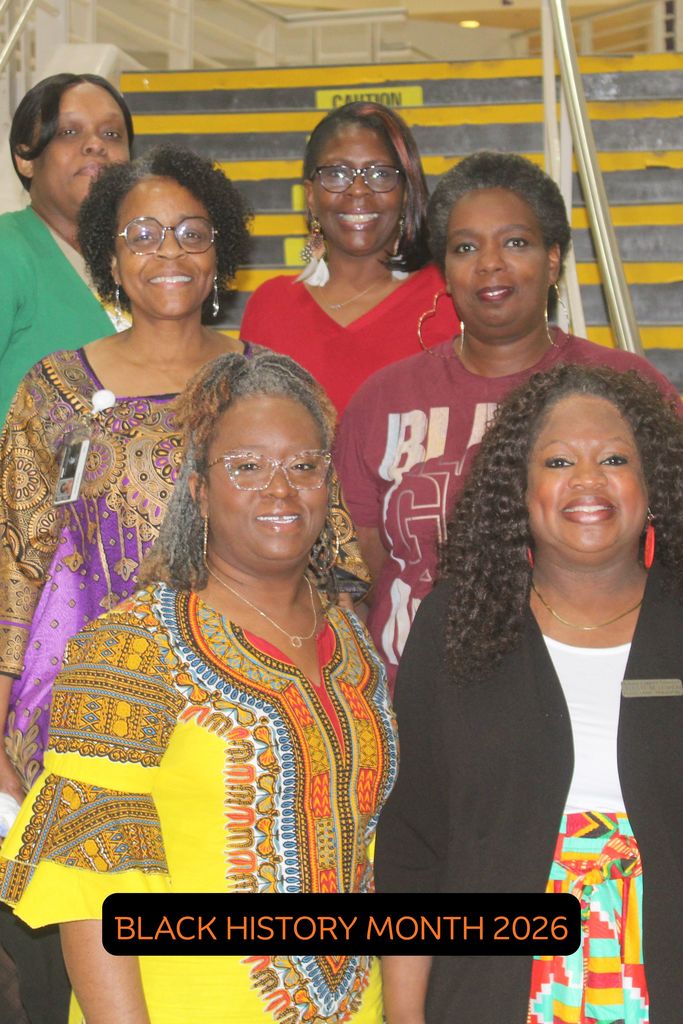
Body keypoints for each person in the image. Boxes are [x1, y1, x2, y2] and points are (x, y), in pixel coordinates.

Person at [0, 351, 398, 1024]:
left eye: (303, 466)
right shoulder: (129, 647)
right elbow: (93, 894)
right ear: (197, 489)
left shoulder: (353, 645)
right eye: (246, 467)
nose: (281, 490)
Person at [376, 364, 683, 1024]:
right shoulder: (456, 623)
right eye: (557, 461)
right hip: (488, 994)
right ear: (519, 489)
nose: (587, 481)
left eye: (613, 459)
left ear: (649, 482)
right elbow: (413, 843)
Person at [335, 150, 680, 690]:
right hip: (409, 694)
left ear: (553, 259)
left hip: (590, 685)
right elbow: (362, 571)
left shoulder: (624, 388)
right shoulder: (384, 399)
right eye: (465, 247)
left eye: (515, 242)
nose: (490, 263)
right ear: (444, 274)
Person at [240, 101, 457, 413]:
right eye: (337, 173)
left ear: (406, 192)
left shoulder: (447, 296)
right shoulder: (271, 306)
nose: (358, 190)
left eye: (380, 174)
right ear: (311, 195)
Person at [0, 72, 134, 424]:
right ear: (25, 159)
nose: (96, 145)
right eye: (69, 132)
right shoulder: (7, 250)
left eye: (111, 134)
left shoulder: (143, 264)